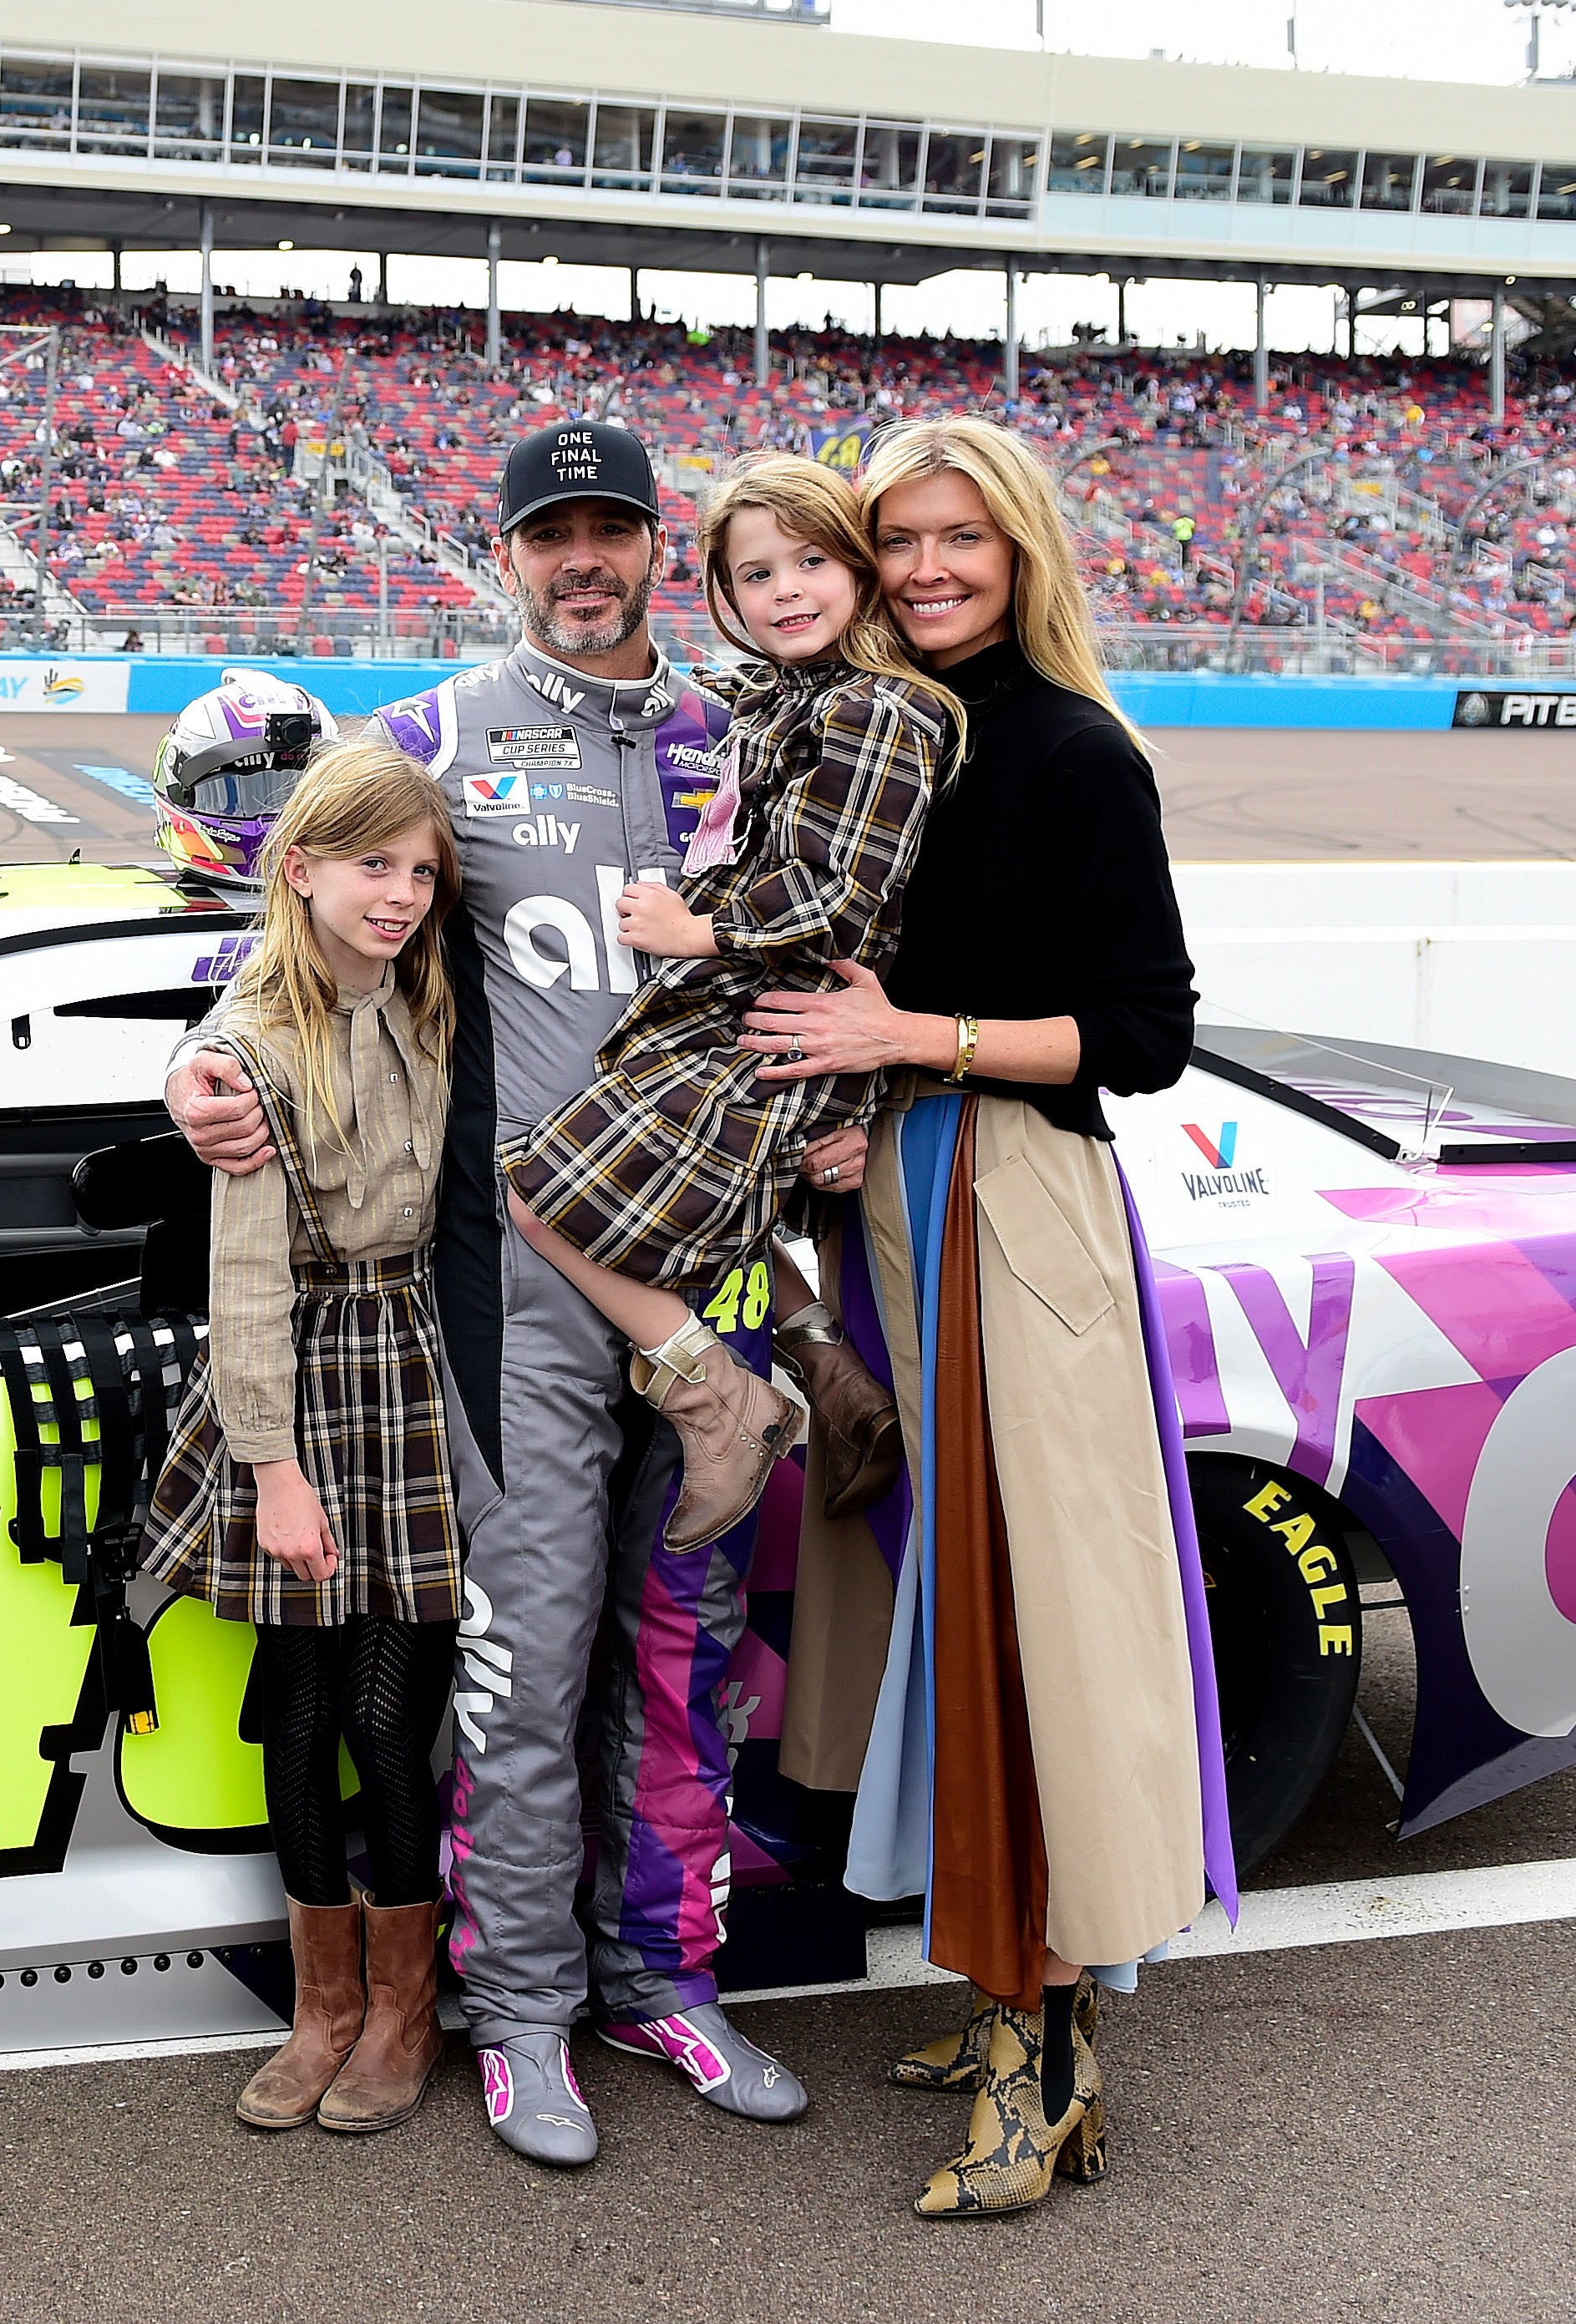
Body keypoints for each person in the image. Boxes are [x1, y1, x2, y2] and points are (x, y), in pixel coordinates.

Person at [166, 421, 807, 2167]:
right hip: (514, 1294)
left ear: (658, 546)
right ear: (505, 550)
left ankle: (661, 1981)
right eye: (551, 535)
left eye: (612, 531)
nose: (581, 560)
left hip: (712, 1276)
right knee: (521, 1676)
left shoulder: (741, 737)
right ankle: (518, 2011)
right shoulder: (434, 737)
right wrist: (202, 1064)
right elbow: (303, 914)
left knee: (687, 1663)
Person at [746, 415, 1234, 2218]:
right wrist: (860, 1088)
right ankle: (1018, 1999)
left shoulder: (1068, 750)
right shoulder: (896, 736)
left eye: (963, 538)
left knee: (1029, 1633)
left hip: (1015, 1207)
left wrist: (908, 1043)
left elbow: (1146, 1034)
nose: (930, 568)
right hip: (901, 1195)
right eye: (902, 541)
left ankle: (1046, 2067)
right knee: (949, 1621)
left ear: (1022, 550)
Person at [500, 454, 958, 1557]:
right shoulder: (780, 701)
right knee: (705, 1232)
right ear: (721, 590)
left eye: (813, 562)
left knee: (537, 1193)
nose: (786, 590)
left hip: (769, 1024)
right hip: (749, 1022)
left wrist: (695, 931)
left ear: (860, 572)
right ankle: (830, 1378)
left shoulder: (880, 708)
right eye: (756, 574)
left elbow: (843, 896)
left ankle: (724, 1403)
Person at [134, 740, 463, 2137]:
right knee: (306, 1715)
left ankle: (403, 2007)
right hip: (306, 1388)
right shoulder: (255, 1046)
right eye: (372, 866)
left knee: (393, 1720)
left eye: (422, 872)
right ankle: (322, 2004)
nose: (400, 895)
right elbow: (247, 1279)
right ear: (301, 867)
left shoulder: (441, 998)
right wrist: (272, 1471)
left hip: (424, 1369)